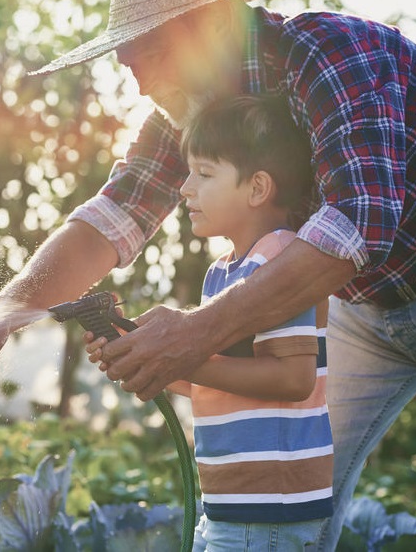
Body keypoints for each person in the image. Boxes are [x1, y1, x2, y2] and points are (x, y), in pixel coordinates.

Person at [0, 0, 416, 549]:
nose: (143, 84)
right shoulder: (196, 113)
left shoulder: (331, 55)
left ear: (218, 23)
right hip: (368, 308)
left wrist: (197, 334)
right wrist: (5, 312)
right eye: (129, 65)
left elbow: (357, 221)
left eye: (155, 55)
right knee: (281, 506)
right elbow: (116, 212)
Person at [106, 93, 334, 550]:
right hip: (230, 505)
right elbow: (217, 384)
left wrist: (181, 359)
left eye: (205, 174)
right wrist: (139, 353)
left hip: (270, 509)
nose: (186, 188)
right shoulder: (223, 273)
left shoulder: (282, 260)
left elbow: (293, 378)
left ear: (257, 188)